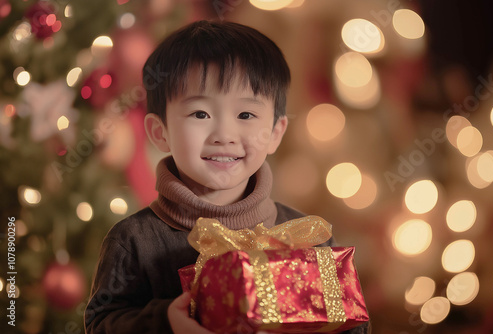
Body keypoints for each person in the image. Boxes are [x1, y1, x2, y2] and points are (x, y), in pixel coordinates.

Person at [84, 20, 369, 334]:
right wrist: (166, 322)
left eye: (245, 115)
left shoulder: (306, 237)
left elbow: (353, 324)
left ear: (275, 133)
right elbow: (100, 323)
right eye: (200, 114)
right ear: (160, 132)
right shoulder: (133, 241)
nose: (224, 135)